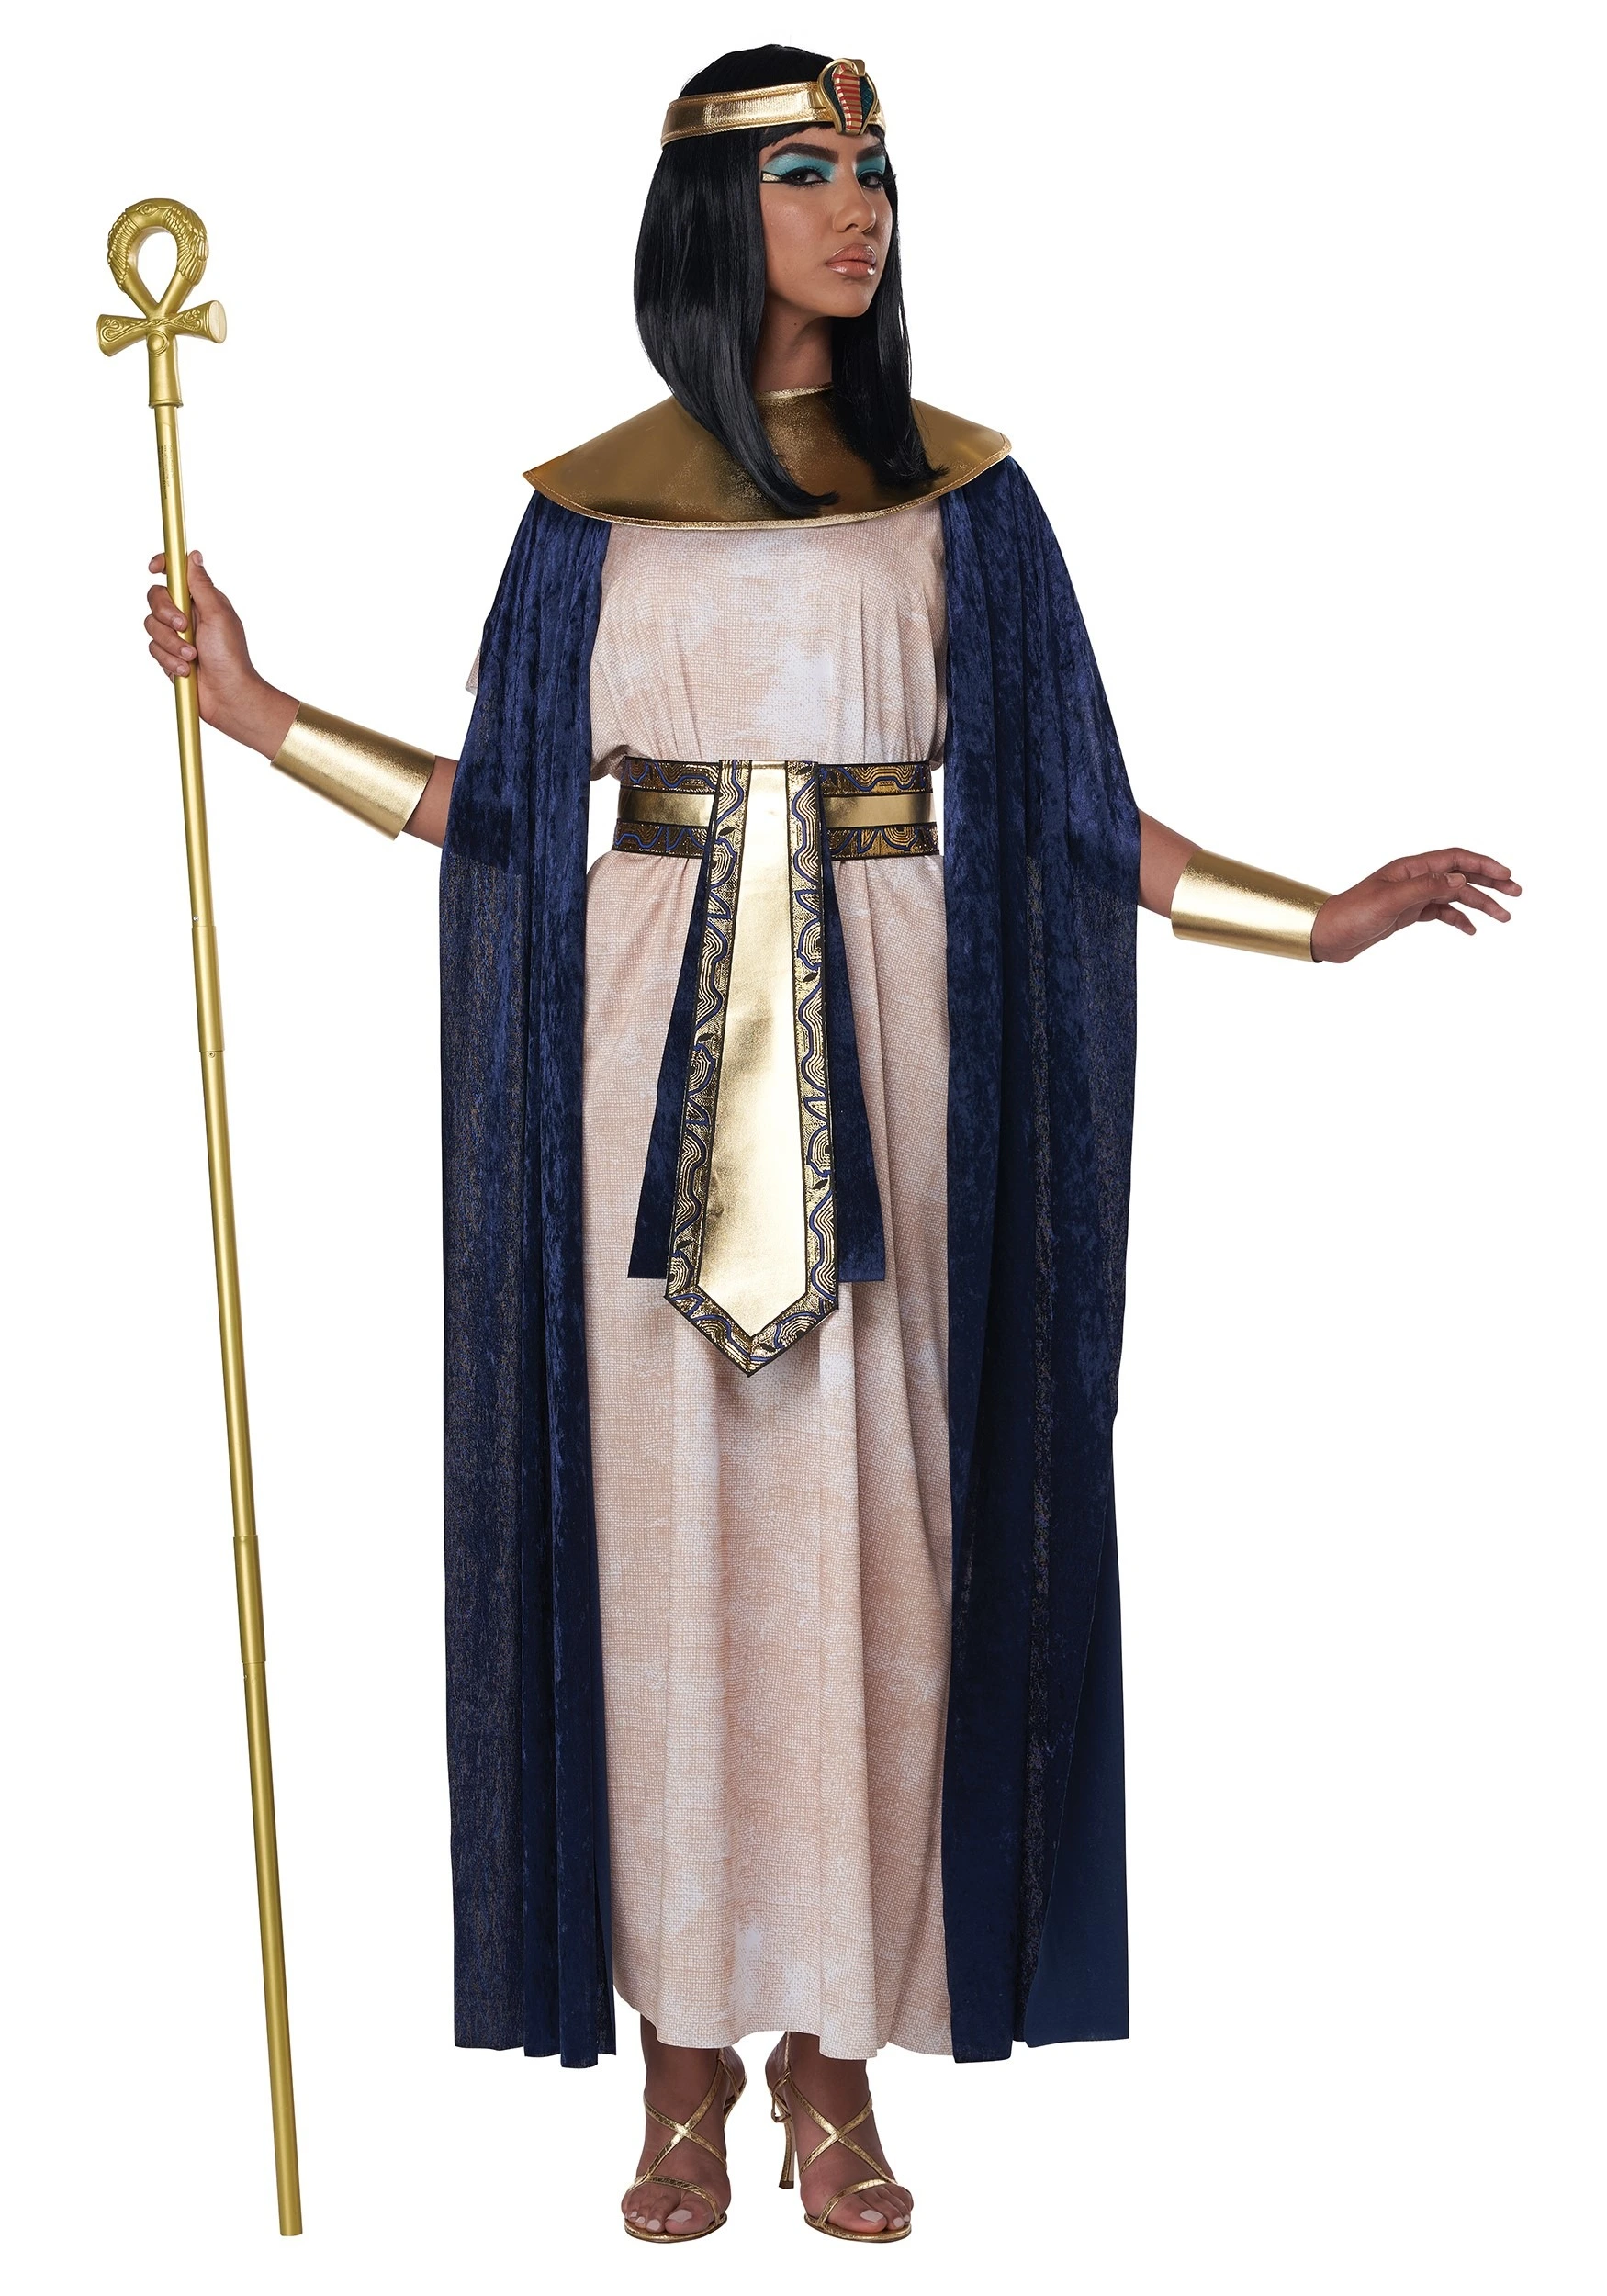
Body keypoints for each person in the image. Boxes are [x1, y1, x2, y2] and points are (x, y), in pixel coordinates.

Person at [139, 44, 1520, 2247]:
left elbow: (1063, 810)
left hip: (891, 1049)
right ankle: (680, 2060)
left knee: (871, 1554)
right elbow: (510, 814)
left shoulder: (960, 500)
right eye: (805, 173)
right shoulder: (585, 515)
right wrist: (256, 710)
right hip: (639, 1058)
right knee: (658, 1552)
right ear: (719, 215)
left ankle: (833, 2060)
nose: (856, 208)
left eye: (871, 170)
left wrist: (1312, 918)